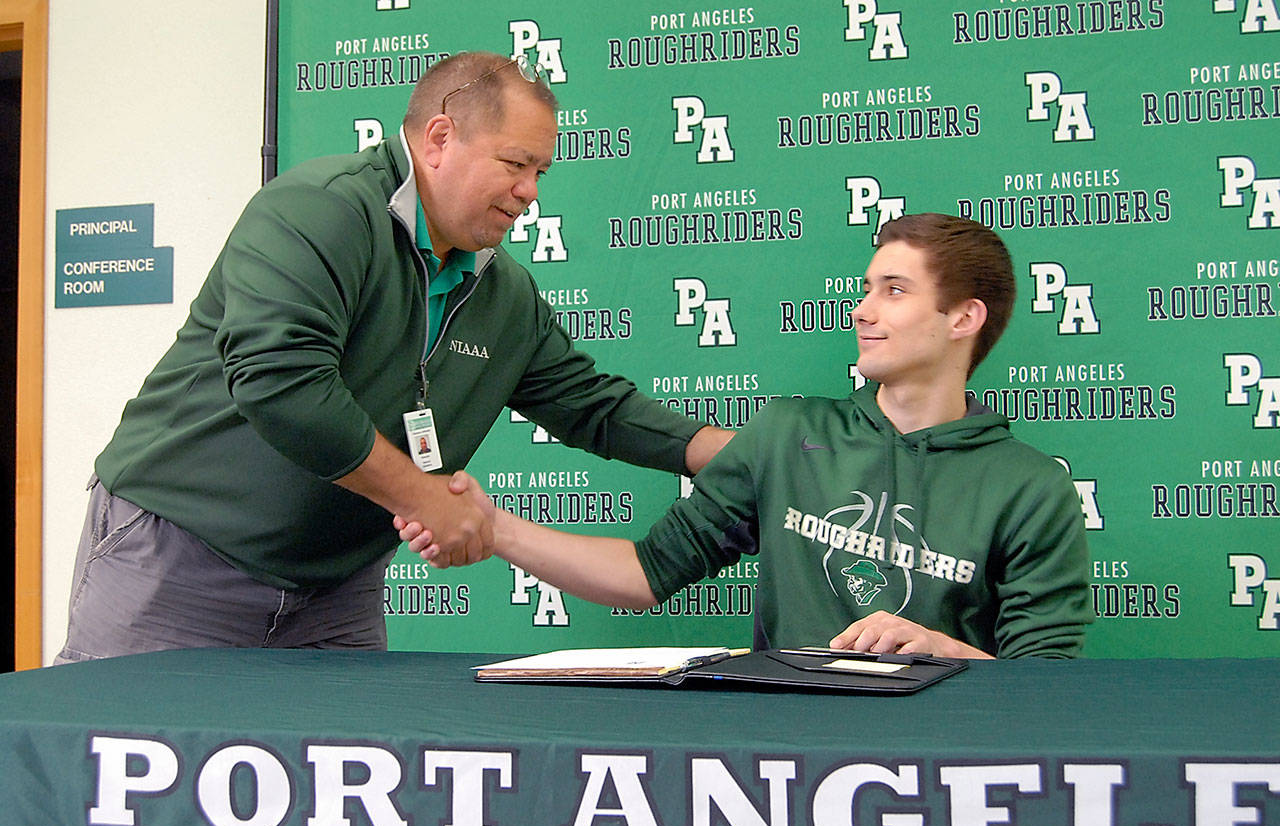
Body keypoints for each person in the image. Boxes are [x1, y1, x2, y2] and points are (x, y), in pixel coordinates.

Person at [55, 51, 731, 662]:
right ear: (439, 139)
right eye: (515, 164)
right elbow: (280, 382)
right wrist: (422, 496)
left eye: (540, 171)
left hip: (335, 590)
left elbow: (595, 408)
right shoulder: (320, 210)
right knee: (119, 754)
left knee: (340, 763)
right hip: (180, 559)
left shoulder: (506, 294)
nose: (531, 191)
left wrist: (739, 453)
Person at [402, 214, 1091, 658]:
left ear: (964, 318)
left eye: (894, 290)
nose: (862, 310)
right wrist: (496, 528)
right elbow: (645, 574)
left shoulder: (1031, 487)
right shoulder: (788, 434)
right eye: (866, 289)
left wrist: (940, 650)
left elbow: (1047, 688)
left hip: (947, 769)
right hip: (788, 758)